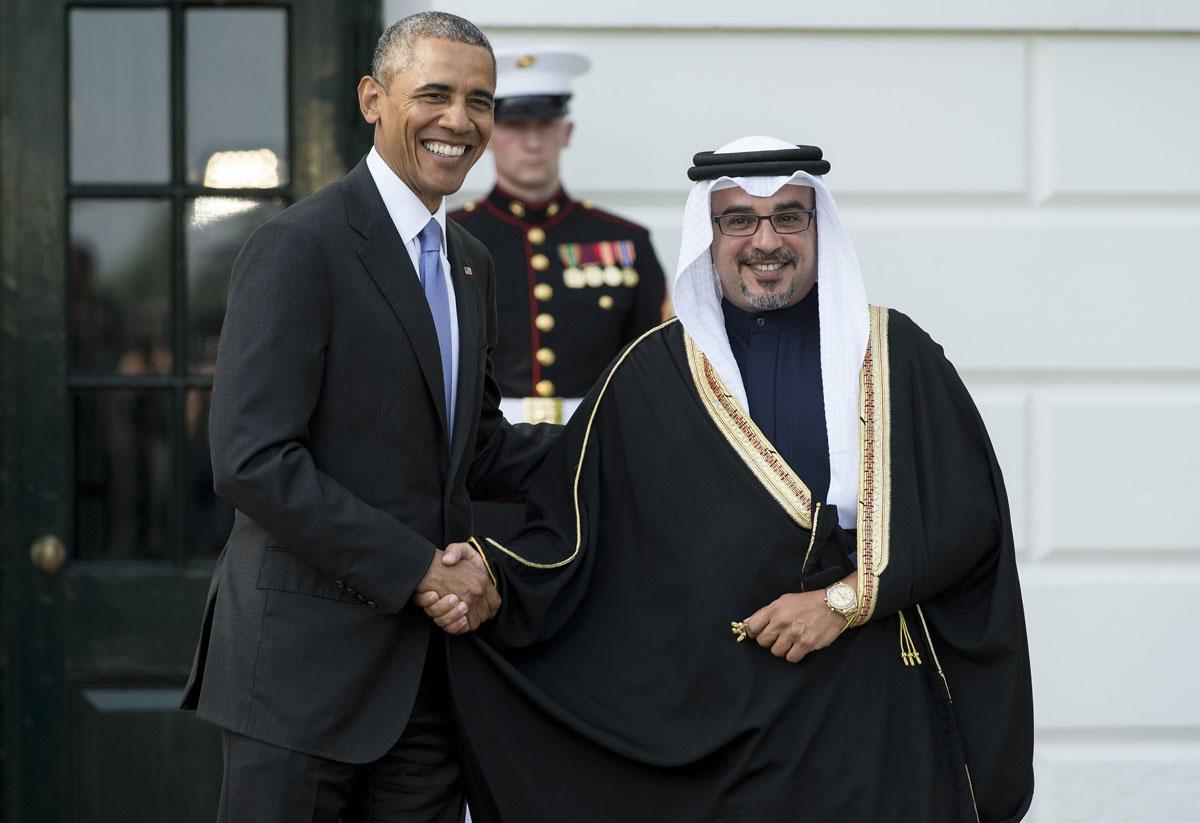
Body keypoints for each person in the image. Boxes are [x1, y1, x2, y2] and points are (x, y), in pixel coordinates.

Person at [419, 136, 1035, 821]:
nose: (765, 240)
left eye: (789, 217)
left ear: (818, 227)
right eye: (738, 219)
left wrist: (843, 601)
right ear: (707, 236)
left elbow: (966, 517)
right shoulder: (652, 372)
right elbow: (575, 523)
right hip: (714, 726)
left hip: (866, 714)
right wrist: (485, 574)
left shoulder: (895, 353)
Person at [180, 13, 555, 823]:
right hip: (295, 687)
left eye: (479, 101)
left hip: (425, 685)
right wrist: (422, 568)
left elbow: (476, 445)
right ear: (372, 100)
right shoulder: (298, 246)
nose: (460, 121)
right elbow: (251, 458)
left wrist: (629, 440)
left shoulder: (469, 262)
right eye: (435, 95)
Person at [450, 47, 668, 427]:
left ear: (566, 132)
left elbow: (652, 363)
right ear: (487, 135)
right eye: (515, 126)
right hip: (482, 445)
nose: (532, 142)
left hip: (595, 440)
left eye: (546, 124)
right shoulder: (451, 237)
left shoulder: (626, 240)